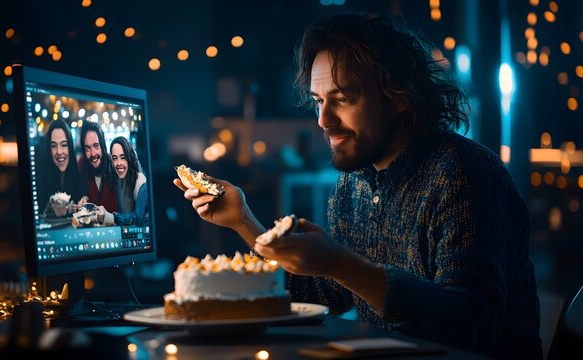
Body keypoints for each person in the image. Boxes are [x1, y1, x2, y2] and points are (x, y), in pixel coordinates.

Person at [173, 13, 542, 359]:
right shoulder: (354, 183)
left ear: (398, 96)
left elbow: (472, 329)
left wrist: (340, 262)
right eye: (318, 101)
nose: (323, 120)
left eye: (343, 99)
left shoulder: (463, 173)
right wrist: (243, 221)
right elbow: (320, 292)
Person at [37, 119, 85, 218]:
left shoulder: (79, 176)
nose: (59, 152)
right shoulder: (41, 178)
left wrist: (84, 200)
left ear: (70, 147)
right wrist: (51, 209)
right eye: (54, 146)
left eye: (64, 145)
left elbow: (83, 199)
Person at [97, 136, 149, 227]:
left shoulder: (141, 183)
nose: (118, 163)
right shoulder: (118, 177)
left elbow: (138, 219)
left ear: (130, 157)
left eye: (123, 157)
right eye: (115, 158)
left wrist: (113, 217)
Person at [77, 120, 118, 213]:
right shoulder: (81, 167)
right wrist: (83, 198)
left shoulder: (114, 166)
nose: (93, 153)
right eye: (87, 148)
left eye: (96, 146)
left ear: (103, 146)